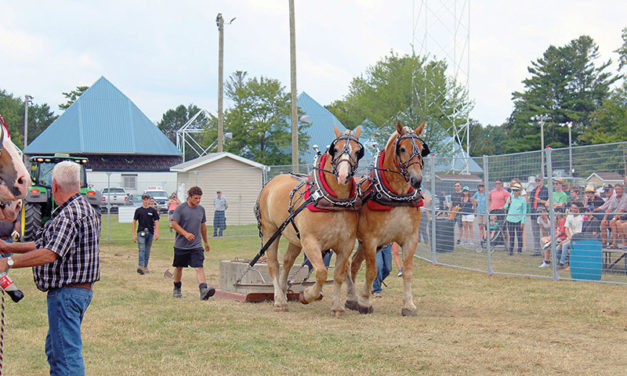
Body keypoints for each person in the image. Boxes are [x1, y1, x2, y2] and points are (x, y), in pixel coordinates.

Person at [0, 161, 100, 375]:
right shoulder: (81, 208)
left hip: (67, 294)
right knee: (57, 349)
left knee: (66, 356)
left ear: (53, 186)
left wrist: (8, 261)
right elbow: (42, 244)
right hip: (77, 292)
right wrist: (8, 247)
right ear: (79, 183)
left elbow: (49, 253)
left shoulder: (68, 216)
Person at [171, 186, 215, 300]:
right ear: (189, 197)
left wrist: (206, 242)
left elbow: (203, 227)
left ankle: (203, 291)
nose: (198, 201)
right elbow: (174, 224)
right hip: (181, 245)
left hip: (196, 245)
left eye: (200, 198)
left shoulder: (201, 210)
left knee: (199, 267)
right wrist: (185, 234)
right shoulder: (180, 209)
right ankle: (177, 288)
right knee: (179, 267)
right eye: (196, 198)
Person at [132, 193, 160, 275]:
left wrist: (156, 233)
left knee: (147, 251)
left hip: (150, 233)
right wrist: (134, 235)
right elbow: (134, 222)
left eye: (147, 199)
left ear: (149, 200)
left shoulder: (153, 211)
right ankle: (140, 266)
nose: (145, 201)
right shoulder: (138, 211)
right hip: (141, 232)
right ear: (142, 200)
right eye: (144, 199)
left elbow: (157, 222)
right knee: (142, 249)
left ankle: (145, 267)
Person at [558, 202, 584, 269]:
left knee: (565, 245)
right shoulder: (569, 216)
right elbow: (566, 228)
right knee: (557, 248)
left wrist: (568, 239)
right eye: (572, 208)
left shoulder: (580, 219)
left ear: (578, 209)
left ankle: (561, 263)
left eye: (575, 208)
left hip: (576, 239)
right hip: (569, 238)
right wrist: (568, 237)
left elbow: (577, 233)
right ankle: (565, 260)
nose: (573, 209)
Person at [529, 174, 549, 256]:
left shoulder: (546, 190)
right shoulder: (533, 191)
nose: (537, 182)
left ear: (542, 181)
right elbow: (531, 201)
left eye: (539, 180)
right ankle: (537, 250)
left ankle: (547, 251)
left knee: (545, 233)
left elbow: (548, 202)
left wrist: (541, 201)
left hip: (543, 215)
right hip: (534, 213)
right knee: (535, 233)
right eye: (536, 180)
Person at [504, 183, 526, 255]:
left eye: (516, 190)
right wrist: (508, 203)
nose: (514, 192)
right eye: (513, 190)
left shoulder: (522, 199)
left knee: (519, 236)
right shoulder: (510, 198)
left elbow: (524, 211)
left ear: (519, 191)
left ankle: (519, 251)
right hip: (510, 219)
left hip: (518, 220)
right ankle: (511, 251)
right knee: (511, 236)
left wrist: (523, 221)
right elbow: (505, 207)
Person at [607, 184, 627, 248]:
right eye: (616, 189)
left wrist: (614, 218)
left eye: (619, 189)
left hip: (622, 216)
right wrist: (604, 219)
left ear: (623, 190)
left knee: (618, 223)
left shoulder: (625, 197)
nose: (617, 191)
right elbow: (609, 209)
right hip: (620, 216)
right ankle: (614, 243)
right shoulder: (614, 198)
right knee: (606, 222)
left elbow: (622, 210)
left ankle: (624, 243)